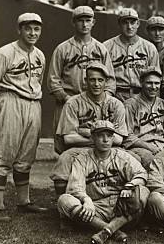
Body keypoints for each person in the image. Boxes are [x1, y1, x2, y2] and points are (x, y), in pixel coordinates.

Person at [0, 13, 48, 222]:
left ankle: (24, 202)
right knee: (4, 153)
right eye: (28, 28)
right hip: (10, 101)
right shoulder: (4, 53)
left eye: (36, 29)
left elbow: (38, 81)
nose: (32, 33)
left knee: (26, 155)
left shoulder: (40, 55)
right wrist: (4, 107)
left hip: (33, 104)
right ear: (19, 29)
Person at [57, 120, 150, 244]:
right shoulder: (82, 158)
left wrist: (130, 186)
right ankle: (113, 230)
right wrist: (86, 200)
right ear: (92, 138)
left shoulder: (122, 156)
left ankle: (107, 230)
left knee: (143, 191)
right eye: (101, 135)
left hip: (120, 208)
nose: (105, 140)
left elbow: (142, 174)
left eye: (109, 136)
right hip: (95, 208)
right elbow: (75, 187)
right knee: (64, 200)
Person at [50, 62, 128, 196]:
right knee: (64, 159)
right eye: (92, 79)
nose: (96, 84)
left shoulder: (116, 104)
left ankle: (120, 201)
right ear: (86, 81)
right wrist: (101, 137)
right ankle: (62, 204)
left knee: (130, 160)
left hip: (109, 149)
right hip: (81, 149)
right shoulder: (73, 102)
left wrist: (86, 132)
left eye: (100, 80)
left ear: (106, 82)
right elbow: (69, 138)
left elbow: (119, 139)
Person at [47, 5, 116, 153]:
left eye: (88, 20)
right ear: (73, 22)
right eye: (80, 20)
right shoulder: (62, 48)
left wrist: (102, 100)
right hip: (68, 100)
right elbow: (53, 80)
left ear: (93, 22)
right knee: (64, 146)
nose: (84, 24)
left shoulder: (100, 48)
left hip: (95, 104)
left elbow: (110, 80)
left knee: (95, 146)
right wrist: (68, 100)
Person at [104, 8, 160, 102]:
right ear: (119, 24)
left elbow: (156, 79)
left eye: (132, 22)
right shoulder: (107, 46)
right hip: (116, 96)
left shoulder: (149, 48)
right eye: (125, 22)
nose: (129, 27)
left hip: (142, 96)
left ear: (138, 24)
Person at [123, 67, 164, 169]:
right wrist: (149, 147)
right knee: (154, 163)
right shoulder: (130, 105)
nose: (154, 87)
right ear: (141, 83)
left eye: (157, 83)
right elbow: (128, 136)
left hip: (162, 146)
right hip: (140, 147)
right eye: (149, 83)